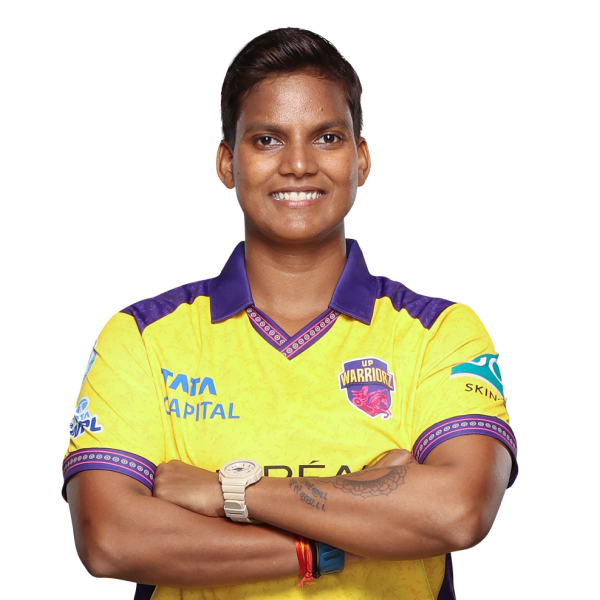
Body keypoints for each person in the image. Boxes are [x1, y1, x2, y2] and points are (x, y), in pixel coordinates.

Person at [62, 26, 518, 599]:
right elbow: (110, 539)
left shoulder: (441, 334)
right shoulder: (142, 338)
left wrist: (231, 493)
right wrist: (336, 541)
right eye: (267, 140)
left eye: (327, 137)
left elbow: (457, 511)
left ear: (362, 160)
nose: (299, 164)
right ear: (227, 163)